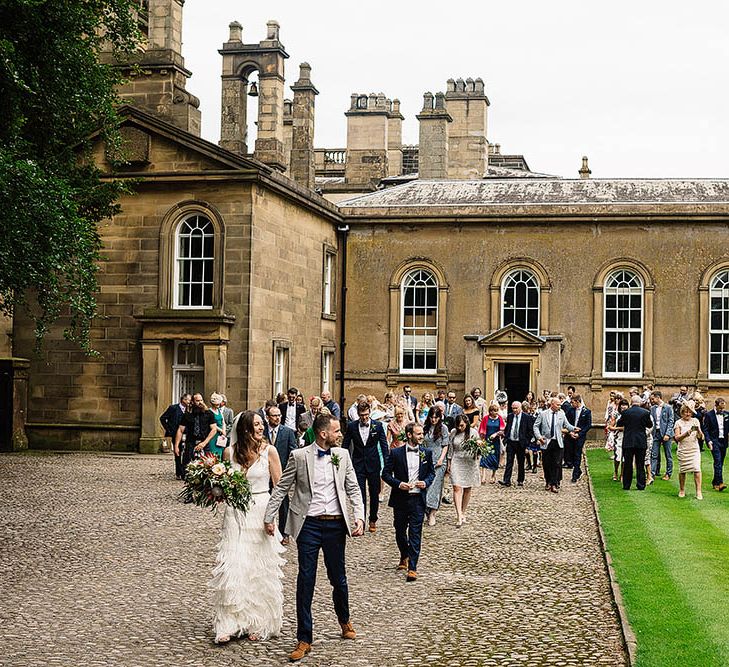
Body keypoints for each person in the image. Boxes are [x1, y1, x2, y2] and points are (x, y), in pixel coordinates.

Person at [264, 413, 365, 662]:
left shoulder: (342, 455)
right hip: (308, 525)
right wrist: (269, 517)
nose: (340, 434)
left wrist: (360, 516)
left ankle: (344, 620)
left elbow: (353, 487)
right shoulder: (299, 456)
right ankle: (304, 638)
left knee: (338, 578)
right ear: (323, 433)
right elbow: (282, 488)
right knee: (305, 580)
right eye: (336, 431)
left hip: (335, 526)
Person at [209, 411, 285, 644]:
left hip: (261, 510)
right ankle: (229, 623)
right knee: (234, 564)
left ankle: (257, 622)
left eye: (262, 424)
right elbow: (221, 485)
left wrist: (272, 518)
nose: (261, 428)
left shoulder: (269, 451)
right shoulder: (229, 453)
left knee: (257, 567)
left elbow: (280, 487)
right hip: (235, 514)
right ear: (245, 429)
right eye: (256, 425)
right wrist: (214, 491)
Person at [381, 422, 435, 582]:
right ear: (409, 435)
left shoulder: (427, 453)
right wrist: (398, 484)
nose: (421, 436)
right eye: (418, 434)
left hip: (418, 498)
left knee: (415, 533)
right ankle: (404, 554)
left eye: (422, 434)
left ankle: (412, 567)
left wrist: (425, 482)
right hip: (401, 499)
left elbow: (431, 473)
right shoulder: (396, 453)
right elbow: (385, 474)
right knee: (399, 530)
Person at [342, 401, 388, 533]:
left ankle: (373, 518)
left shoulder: (377, 426)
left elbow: (384, 446)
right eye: (362, 415)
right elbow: (345, 445)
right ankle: (360, 521)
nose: (364, 417)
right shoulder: (351, 426)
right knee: (360, 494)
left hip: (374, 464)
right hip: (358, 464)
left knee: (374, 493)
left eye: (367, 415)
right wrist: (342, 461)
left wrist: (387, 464)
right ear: (358, 414)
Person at [264, 405, 298, 543]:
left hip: (281, 473)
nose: (277, 418)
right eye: (274, 415)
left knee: (283, 504)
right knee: (265, 501)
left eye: (279, 415)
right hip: (264, 473)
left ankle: (284, 533)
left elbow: (293, 452)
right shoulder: (262, 431)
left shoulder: (288, 432)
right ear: (268, 417)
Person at [533, 397, 578, 493]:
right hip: (546, 441)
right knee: (546, 463)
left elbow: (567, 425)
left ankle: (554, 483)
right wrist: (539, 437)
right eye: (557, 405)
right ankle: (548, 481)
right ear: (552, 404)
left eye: (560, 405)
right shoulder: (543, 414)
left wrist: (574, 428)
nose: (559, 406)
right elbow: (536, 426)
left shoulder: (561, 414)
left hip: (557, 441)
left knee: (557, 463)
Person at [448, 414, 480, 526]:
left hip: (469, 461)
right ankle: (459, 515)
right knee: (456, 487)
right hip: (456, 460)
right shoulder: (453, 432)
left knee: (467, 488)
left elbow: (478, 448)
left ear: (466, 423)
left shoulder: (473, 432)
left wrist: (478, 448)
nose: (460, 428)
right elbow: (450, 447)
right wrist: (449, 461)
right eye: (458, 426)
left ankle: (463, 511)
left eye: (462, 425)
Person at [616, 395, 653, 491]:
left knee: (628, 464)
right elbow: (650, 425)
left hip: (628, 440)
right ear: (640, 403)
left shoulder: (626, 413)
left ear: (631, 402)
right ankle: (641, 485)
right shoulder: (645, 413)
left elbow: (619, 423)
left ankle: (626, 485)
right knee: (640, 464)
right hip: (640, 441)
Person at [173, 393, 217, 474]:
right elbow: (180, 430)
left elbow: (214, 429)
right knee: (187, 470)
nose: (200, 402)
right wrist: (176, 446)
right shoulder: (187, 415)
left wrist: (204, 443)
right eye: (197, 400)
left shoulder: (209, 414)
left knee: (207, 468)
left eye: (201, 400)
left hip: (204, 443)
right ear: (192, 402)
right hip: (191, 443)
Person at [423, 405, 449, 526]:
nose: (433, 420)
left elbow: (445, 445)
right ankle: (427, 511)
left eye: (436, 417)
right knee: (426, 486)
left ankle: (433, 512)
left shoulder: (443, 428)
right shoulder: (425, 428)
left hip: (439, 460)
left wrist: (441, 459)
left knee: (435, 487)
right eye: (432, 417)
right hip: (427, 459)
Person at [499, 401, 535, 488]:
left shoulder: (526, 417)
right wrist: (506, 437)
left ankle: (520, 480)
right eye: (513, 408)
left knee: (521, 462)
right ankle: (506, 480)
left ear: (520, 408)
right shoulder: (510, 416)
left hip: (521, 443)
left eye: (516, 408)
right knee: (509, 462)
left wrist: (527, 443)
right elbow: (508, 427)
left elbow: (530, 431)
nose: (514, 410)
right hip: (511, 441)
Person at [674, 401, 705, 500]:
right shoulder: (678, 422)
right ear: (682, 412)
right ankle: (682, 490)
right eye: (685, 412)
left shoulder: (695, 421)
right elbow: (677, 438)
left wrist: (699, 430)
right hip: (683, 449)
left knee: (697, 469)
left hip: (694, 449)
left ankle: (698, 491)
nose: (687, 414)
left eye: (689, 412)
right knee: (682, 470)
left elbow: (701, 437)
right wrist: (686, 434)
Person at [159, 393, 191, 479]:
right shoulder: (173, 408)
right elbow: (162, 418)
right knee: (178, 453)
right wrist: (169, 429)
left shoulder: (189, 410)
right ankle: (179, 472)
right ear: (183, 400)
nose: (189, 402)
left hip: (187, 433)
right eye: (188, 400)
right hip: (175, 433)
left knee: (186, 453)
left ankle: (185, 471)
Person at [649, 390, 675, 481]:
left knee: (668, 455)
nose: (651, 401)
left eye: (652, 399)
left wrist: (667, 434)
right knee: (654, 454)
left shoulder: (668, 407)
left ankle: (668, 473)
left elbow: (671, 421)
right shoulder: (652, 409)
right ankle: (651, 474)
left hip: (666, 434)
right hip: (656, 434)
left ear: (658, 397)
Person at [566, 394, 592, 483]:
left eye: (572, 402)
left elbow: (588, 425)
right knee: (570, 454)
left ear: (577, 402)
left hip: (580, 436)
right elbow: (566, 422)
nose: (571, 404)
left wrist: (579, 434)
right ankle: (578, 470)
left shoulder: (587, 411)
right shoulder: (570, 411)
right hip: (570, 435)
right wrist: (570, 432)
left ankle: (575, 474)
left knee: (577, 454)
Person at [704, 397, 728, 491]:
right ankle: (720, 483)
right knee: (718, 461)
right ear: (716, 405)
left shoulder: (726, 415)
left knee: (720, 463)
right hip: (714, 441)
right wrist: (708, 440)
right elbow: (705, 429)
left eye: (723, 408)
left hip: (724, 441)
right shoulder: (709, 415)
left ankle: (715, 482)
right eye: (720, 408)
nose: (722, 410)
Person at [478, 403, 504, 484]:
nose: (495, 412)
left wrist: (496, 434)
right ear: (490, 411)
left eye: (496, 411)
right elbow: (481, 429)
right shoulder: (486, 418)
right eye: (493, 411)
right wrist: (481, 439)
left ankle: (493, 475)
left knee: (495, 457)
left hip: (496, 441)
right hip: (487, 440)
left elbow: (502, 430)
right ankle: (483, 476)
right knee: (484, 457)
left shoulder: (499, 418)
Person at [607, 398, 630, 481]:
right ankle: (616, 471)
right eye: (622, 405)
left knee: (625, 458)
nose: (623, 406)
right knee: (618, 456)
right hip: (618, 437)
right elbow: (611, 425)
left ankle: (622, 474)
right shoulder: (616, 414)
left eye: (625, 405)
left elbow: (628, 427)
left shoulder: (629, 415)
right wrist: (615, 427)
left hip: (627, 437)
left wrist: (618, 428)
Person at [208, 393, 227, 460]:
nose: (218, 406)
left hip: (221, 435)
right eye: (217, 404)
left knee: (220, 453)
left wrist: (224, 430)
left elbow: (223, 422)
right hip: (214, 434)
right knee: (213, 454)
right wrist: (221, 430)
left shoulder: (219, 411)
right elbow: (213, 425)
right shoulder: (209, 411)